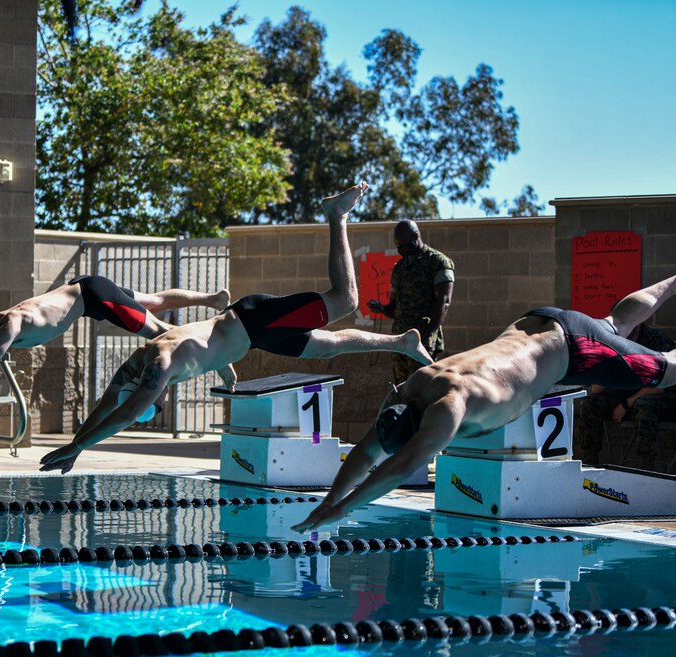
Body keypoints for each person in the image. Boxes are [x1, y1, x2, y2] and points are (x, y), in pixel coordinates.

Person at [292, 260, 676, 532]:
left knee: (668, 370)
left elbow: (396, 467)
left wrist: (342, 509)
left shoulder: (447, 406)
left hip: (570, 348)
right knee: (614, 324)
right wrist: (330, 498)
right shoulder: (413, 387)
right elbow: (367, 452)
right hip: (536, 323)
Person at [40, 182, 434, 473]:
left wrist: (78, 448)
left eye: (153, 401)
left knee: (345, 300)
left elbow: (124, 414)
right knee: (328, 346)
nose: (158, 401)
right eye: (155, 404)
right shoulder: (134, 368)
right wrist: (77, 442)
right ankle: (401, 341)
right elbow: (106, 408)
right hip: (253, 334)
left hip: (253, 319)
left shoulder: (158, 363)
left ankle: (337, 216)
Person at [0, 275, 230, 406]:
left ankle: (220, 357)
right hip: (87, 292)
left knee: (163, 334)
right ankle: (212, 299)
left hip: (94, 298)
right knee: (155, 302)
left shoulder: (9, 326)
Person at [576, 322, 676, 470]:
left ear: (637, 326)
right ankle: (589, 464)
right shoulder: (613, 341)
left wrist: (626, 404)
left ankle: (646, 468)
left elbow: (657, 388)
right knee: (591, 403)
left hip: (672, 396)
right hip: (634, 394)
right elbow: (597, 389)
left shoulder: (655, 341)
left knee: (644, 404)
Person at [367, 220, 455, 384]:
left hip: (423, 339)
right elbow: (393, 309)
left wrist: (429, 335)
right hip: (400, 340)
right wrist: (381, 308)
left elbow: (444, 301)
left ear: (415, 237)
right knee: (401, 388)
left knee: (420, 388)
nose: (400, 249)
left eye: (403, 244)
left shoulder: (437, 262)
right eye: (397, 245)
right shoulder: (400, 268)